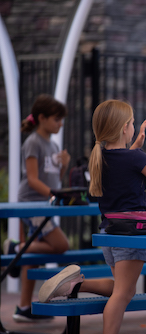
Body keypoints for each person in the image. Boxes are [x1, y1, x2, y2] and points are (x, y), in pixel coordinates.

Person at [37, 99, 146, 334]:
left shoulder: (101, 157)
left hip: (109, 232)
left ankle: (75, 284)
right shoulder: (134, 158)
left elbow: (124, 168)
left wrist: (134, 149)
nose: (134, 127)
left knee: (122, 290)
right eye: (133, 123)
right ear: (124, 127)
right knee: (123, 295)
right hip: (130, 234)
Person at [3, 94, 71, 322]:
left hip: (43, 204)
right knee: (61, 244)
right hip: (31, 204)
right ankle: (15, 248)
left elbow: (54, 180)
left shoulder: (52, 144)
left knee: (32, 258)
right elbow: (32, 180)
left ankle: (23, 308)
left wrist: (64, 167)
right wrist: (55, 195)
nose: (60, 123)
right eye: (56, 119)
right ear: (42, 118)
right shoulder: (33, 142)